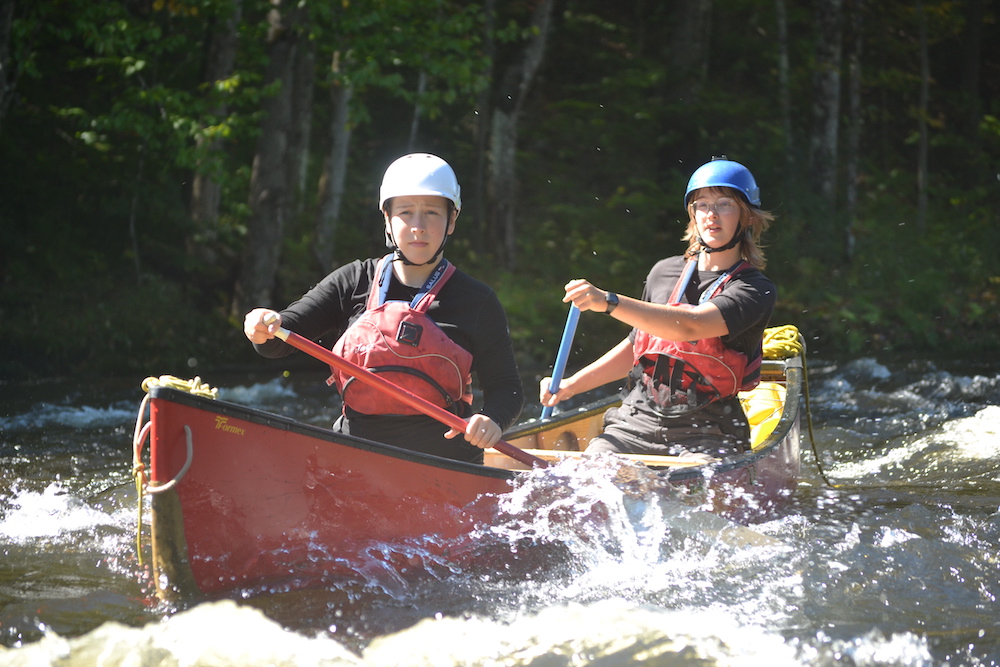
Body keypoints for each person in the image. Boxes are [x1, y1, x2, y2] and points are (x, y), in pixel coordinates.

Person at [245, 153, 523, 464]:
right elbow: (279, 341)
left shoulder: (478, 301)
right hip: (355, 459)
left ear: (452, 220)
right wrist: (264, 325)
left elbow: (507, 389)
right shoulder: (352, 281)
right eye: (406, 212)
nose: (418, 227)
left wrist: (491, 420)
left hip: (446, 465)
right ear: (388, 219)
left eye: (432, 212)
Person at [539, 157, 776, 460]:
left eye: (725, 204)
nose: (711, 215)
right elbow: (636, 346)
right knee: (594, 475)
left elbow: (691, 325)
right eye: (702, 205)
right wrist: (572, 386)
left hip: (707, 432)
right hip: (634, 424)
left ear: (747, 217)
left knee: (690, 489)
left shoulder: (755, 289)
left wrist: (609, 301)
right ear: (692, 214)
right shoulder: (663, 272)